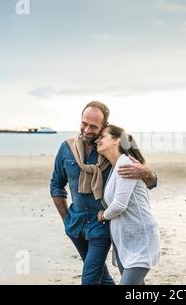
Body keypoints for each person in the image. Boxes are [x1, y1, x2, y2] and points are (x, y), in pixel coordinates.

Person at [50, 101, 158, 285]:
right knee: (103, 277)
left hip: (102, 226)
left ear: (104, 126)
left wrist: (148, 173)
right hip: (75, 224)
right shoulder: (66, 148)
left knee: (90, 278)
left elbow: (148, 182)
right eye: (84, 123)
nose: (86, 129)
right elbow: (56, 186)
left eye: (93, 126)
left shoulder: (110, 154)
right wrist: (66, 219)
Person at [97, 124, 161, 285]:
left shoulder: (126, 164)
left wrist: (103, 215)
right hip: (125, 240)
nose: (98, 140)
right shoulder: (114, 167)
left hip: (140, 238)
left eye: (102, 136)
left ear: (116, 140)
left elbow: (119, 205)